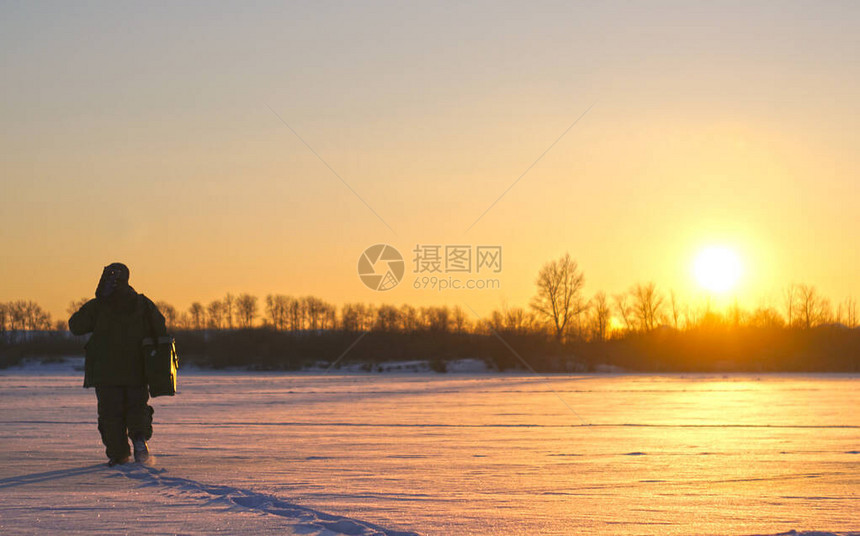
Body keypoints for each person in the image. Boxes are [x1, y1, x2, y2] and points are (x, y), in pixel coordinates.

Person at [68, 263, 168, 466]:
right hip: (138, 369)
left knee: (110, 414)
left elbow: (76, 326)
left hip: (106, 372)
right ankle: (139, 440)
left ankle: (119, 455)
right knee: (137, 408)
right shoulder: (142, 304)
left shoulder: (98, 306)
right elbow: (160, 327)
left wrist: (95, 304)